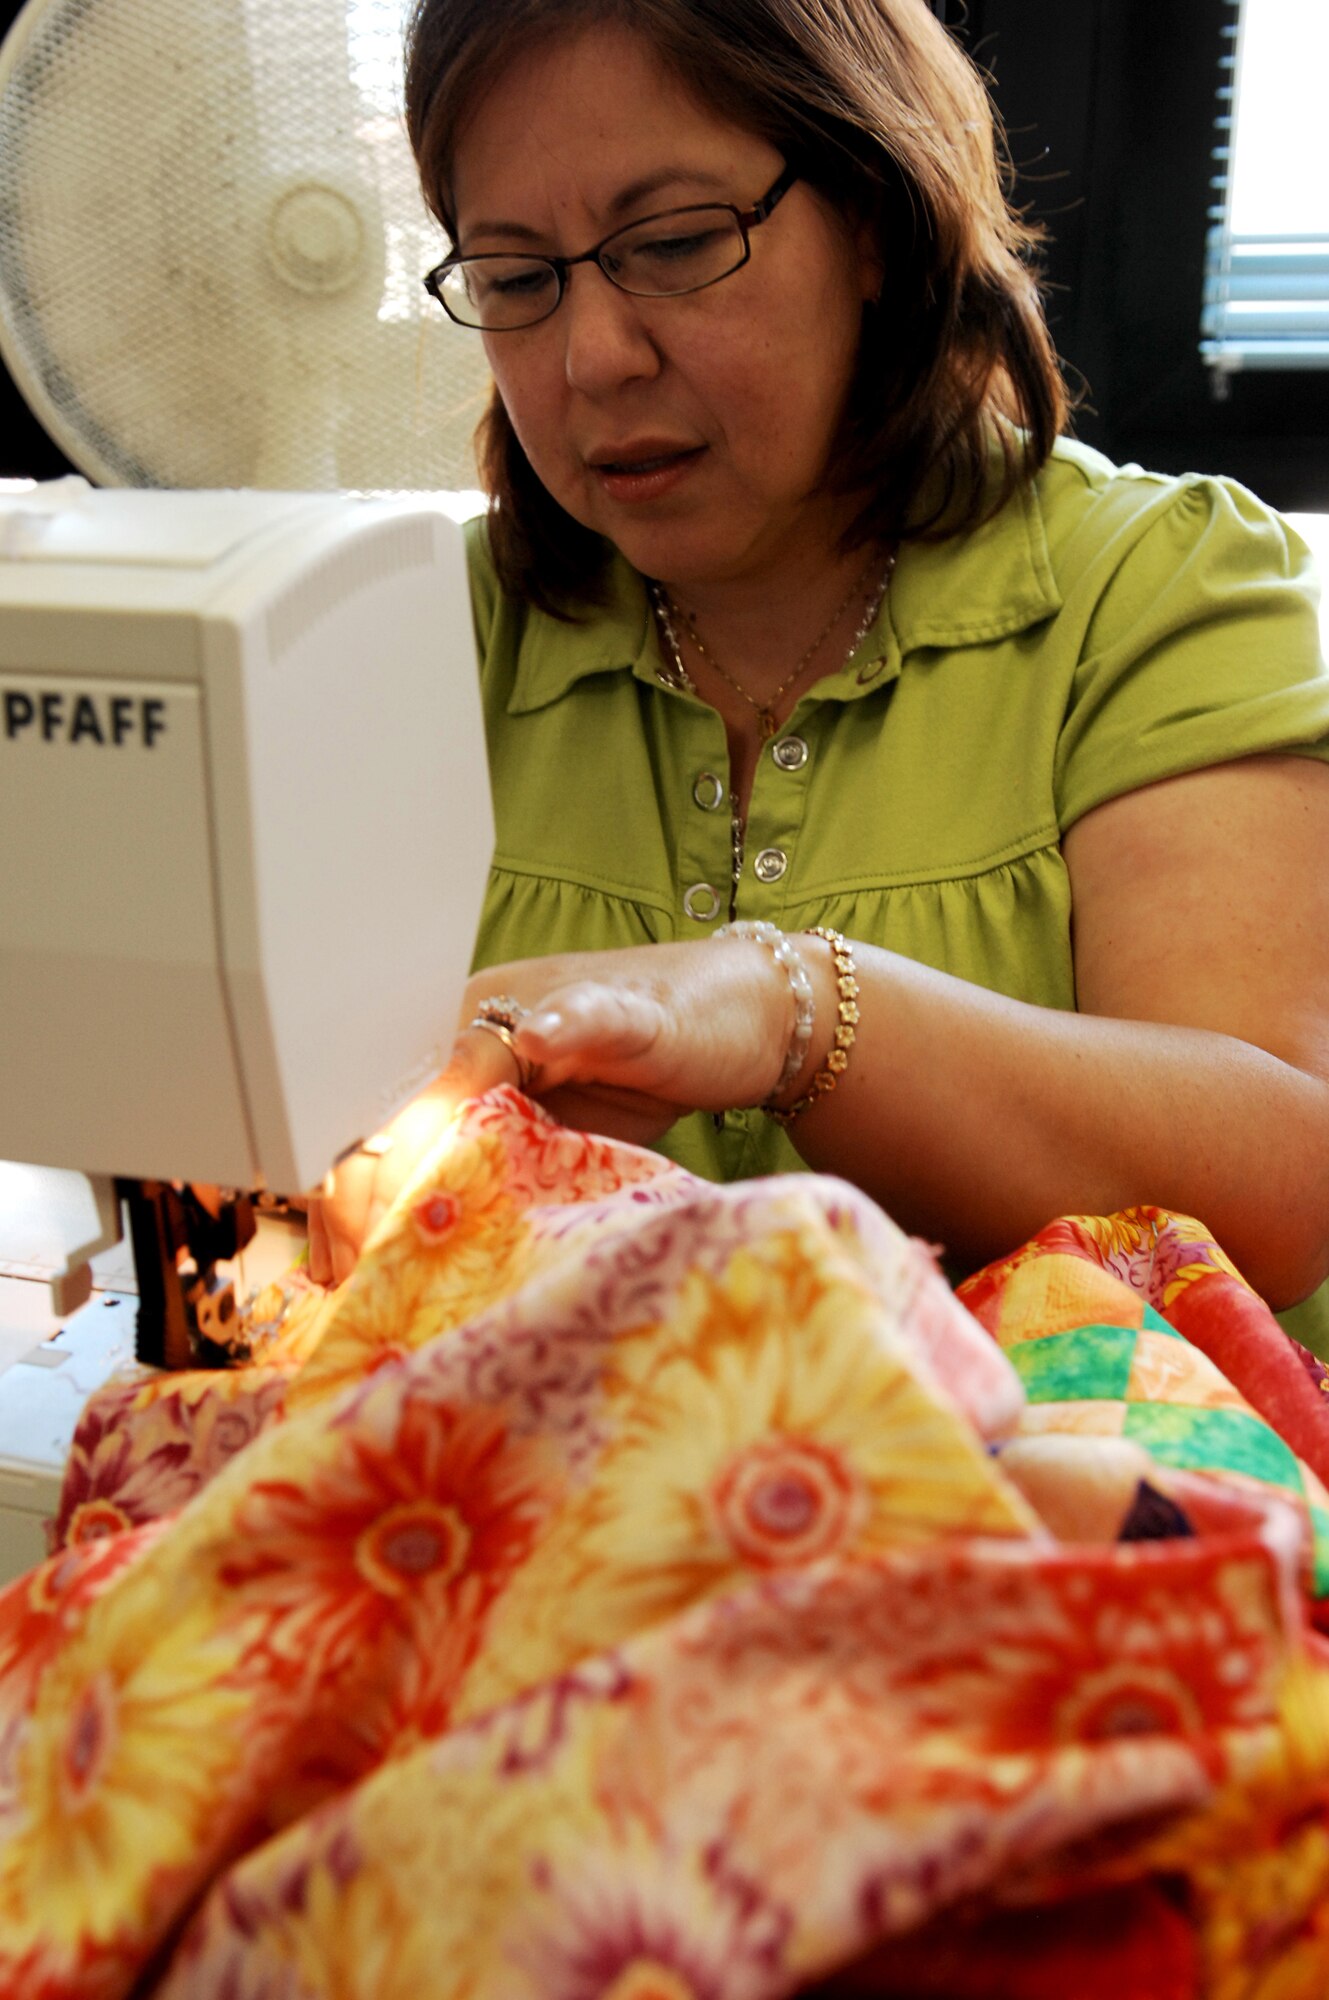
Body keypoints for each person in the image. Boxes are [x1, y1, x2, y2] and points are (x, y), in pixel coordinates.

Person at [308, 0, 1329, 1346]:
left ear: (875, 225)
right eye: (513, 277)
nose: (591, 357)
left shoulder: (1147, 593)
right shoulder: (427, 638)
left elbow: (1274, 1194)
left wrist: (786, 1006)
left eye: (673, 246)